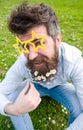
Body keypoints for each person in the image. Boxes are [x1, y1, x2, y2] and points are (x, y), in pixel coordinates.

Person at [0, 2, 83, 130]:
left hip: (59, 86)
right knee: (12, 100)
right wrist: (14, 109)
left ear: (57, 40)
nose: (32, 55)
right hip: (33, 85)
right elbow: (2, 92)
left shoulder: (74, 61)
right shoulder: (23, 62)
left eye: (38, 42)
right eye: (26, 46)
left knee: (78, 108)